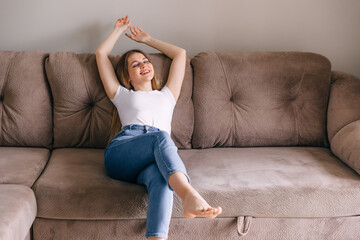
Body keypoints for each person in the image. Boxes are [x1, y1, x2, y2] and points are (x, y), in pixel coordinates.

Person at [95, 15, 222, 240]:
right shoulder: (121, 94)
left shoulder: (167, 94)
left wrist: (148, 39)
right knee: (161, 137)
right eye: (135, 64)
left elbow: (180, 54)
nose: (143, 65)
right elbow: (101, 55)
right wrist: (117, 31)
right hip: (123, 152)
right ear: (127, 76)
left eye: (145, 61)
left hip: (153, 160)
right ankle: (189, 195)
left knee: (162, 180)